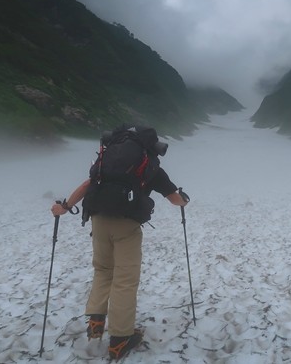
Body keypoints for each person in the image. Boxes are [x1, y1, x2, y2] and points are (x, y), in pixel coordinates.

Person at [50, 128, 188, 361]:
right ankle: (120, 339)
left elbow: (87, 184)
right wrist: (184, 200)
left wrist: (64, 207)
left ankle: (96, 322)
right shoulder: (151, 165)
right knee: (124, 280)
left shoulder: (107, 159)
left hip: (98, 219)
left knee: (103, 270)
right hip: (126, 226)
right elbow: (175, 199)